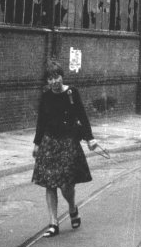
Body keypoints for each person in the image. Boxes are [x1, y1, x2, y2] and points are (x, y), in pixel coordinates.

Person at [32, 60, 98, 237]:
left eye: (57, 77)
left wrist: (90, 138)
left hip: (68, 142)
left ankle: (72, 207)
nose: (54, 81)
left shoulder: (71, 92)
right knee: (49, 183)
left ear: (62, 76)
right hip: (49, 143)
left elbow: (82, 115)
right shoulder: (46, 96)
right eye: (50, 79)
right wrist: (37, 144)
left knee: (66, 185)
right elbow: (41, 121)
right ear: (47, 81)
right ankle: (53, 223)